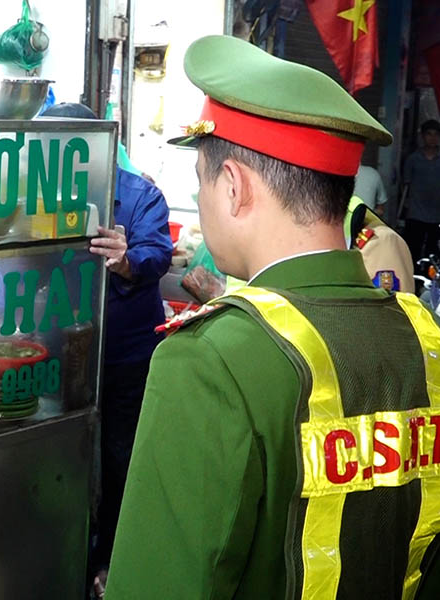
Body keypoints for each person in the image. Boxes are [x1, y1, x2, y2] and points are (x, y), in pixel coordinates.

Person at [106, 35, 440, 599]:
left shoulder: (211, 361)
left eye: (202, 181)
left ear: (233, 187)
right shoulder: (423, 336)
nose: (202, 199)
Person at [43, 103, 173, 597]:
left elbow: (157, 254)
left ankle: (110, 563)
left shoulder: (139, 195)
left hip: (125, 356)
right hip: (60, 353)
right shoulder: (42, 196)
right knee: (61, 453)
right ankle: (58, 554)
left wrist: (126, 260)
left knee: (121, 459)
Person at [401, 119, 440, 261]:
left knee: (433, 254)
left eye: (436, 134)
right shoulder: (413, 159)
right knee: (413, 251)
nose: (432, 138)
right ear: (423, 136)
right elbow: (405, 185)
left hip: (437, 215)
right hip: (415, 213)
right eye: (429, 134)